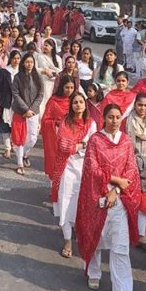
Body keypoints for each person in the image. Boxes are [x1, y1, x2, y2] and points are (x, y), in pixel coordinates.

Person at [76, 104, 141, 291]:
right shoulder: (95, 140)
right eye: (110, 117)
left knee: (120, 245)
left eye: (117, 117)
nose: (114, 121)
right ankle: (94, 273)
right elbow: (91, 168)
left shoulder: (126, 142)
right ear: (103, 119)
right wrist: (113, 182)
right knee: (96, 237)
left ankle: (122, 290)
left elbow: (131, 170)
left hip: (119, 199)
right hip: (97, 197)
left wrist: (117, 189)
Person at [51, 93, 97, 258]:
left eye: (81, 102)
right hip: (66, 167)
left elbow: (94, 145)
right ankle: (67, 240)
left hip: (85, 168)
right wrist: (80, 145)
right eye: (75, 102)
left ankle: (78, 229)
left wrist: (79, 145)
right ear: (71, 105)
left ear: (85, 105)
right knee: (66, 202)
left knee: (81, 203)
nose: (78, 105)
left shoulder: (91, 124)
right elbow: (62, 144)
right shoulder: (65, 122)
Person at [125, 93, 146, 251]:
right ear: (135, 105)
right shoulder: (127, 121)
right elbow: (124, 142)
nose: (142, 108)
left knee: (144, 203)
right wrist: (134, 161)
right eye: (140, 105)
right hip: (130, 165)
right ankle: (127, 233)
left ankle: (141, 236)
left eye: (145, 106)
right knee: (130, 201)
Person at [11, 54, 44, 175]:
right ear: (23, 63)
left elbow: (41, 94)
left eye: (31, 62)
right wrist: (25, 110)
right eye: (27, 62)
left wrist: (32, 109)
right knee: (19, 138)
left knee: (32, 138)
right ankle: (19, 163)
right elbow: (15, 94)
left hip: (33, 113)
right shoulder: (17, 77)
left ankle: (24, 154)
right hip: (20, 112)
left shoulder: (38, 77)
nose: (29, 64)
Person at [41, 75, 76, 180]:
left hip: (72, 137)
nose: (69, 90)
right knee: (55, 162)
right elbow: (45, 120)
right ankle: (54, 189)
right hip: (55, 137)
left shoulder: (76, 101)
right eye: (67, 87)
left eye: (72, 87)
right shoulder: (53, 101)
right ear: (61, 87)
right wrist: (55, 123)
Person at [0, 50, 21, 159]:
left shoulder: (22, 72)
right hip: (6, 103)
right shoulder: (4, 72)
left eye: (18, 58)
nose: (16, 60)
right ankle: (7, 149)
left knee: (16, 126)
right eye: (14, 58)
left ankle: (14, 145)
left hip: (19, 104)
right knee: (5, 126)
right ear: (10, 59)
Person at [37, 38, 63, 117]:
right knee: (43, 103)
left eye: (46, 45)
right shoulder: (39, 56)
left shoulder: (58, 58)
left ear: (52, 47)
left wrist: (51, 73)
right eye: (44, 45)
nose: (44, 47)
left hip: (54, 83)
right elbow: (35, 69)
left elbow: (60, 72)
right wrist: (44, 71)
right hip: (42, 82)